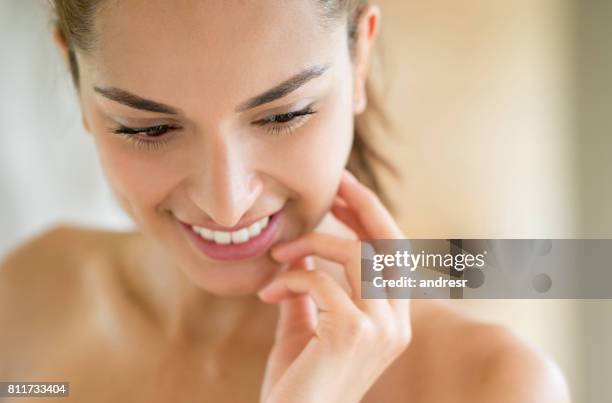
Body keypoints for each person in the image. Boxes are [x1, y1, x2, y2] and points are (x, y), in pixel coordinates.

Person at [0, 1, 570, 402]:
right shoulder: (26, 299)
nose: (226, 204)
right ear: (75, 82)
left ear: (360, 56)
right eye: (147, 128)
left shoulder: (493, 388)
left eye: (282, 116)